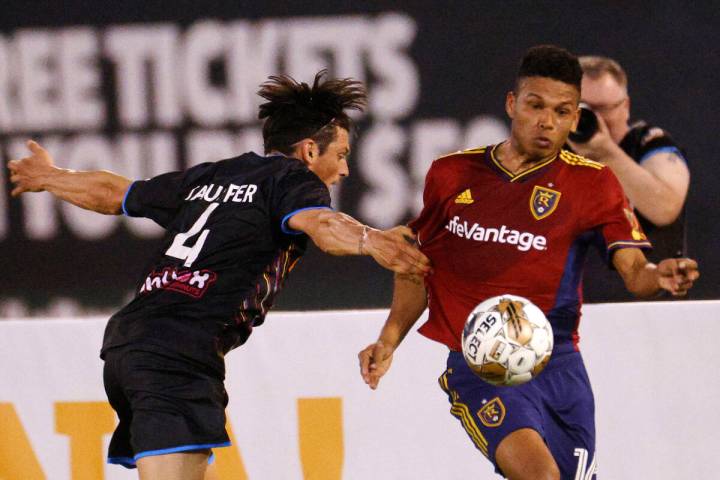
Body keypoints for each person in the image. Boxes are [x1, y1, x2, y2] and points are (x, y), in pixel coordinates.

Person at [8, 71, 431, 480]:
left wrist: (51, 177)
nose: (344, 171)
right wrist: (371, 239)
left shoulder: (212, 176)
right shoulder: (293, 181)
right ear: (307, 151)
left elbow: (115, 194)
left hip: (128, 344)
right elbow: (322, 225)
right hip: (179, 352)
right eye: (340, 155)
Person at [358, 46, 699, 480]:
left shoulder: (594, 184)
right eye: (535, 105)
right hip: (481, 363)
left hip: (559, 364)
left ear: (575, 119)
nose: (546, 121)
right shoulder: (451, 174)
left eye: (561, 112)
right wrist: (389, 339)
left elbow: (635, 273)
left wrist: (659, 277)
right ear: (511, 104)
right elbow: (415, 260)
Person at [568, 56, 690, 302]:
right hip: (569, 316)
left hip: (648, 314)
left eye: (602, 109)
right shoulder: (549, 155)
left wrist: (605, 152)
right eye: (581, 109)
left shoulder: (650, 144)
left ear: (625, 106)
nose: (593, 120)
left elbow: (665, 207)